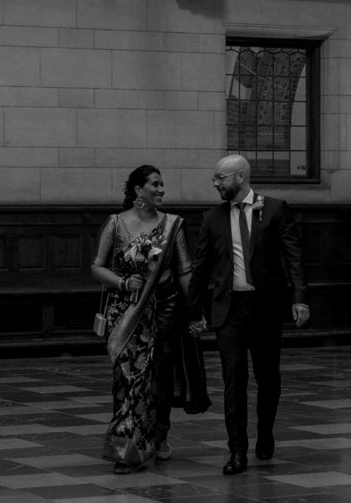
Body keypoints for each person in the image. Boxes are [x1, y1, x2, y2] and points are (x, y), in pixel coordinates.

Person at [188, 154, 308, 475]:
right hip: (230, 310)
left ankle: (265, 432)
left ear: (240, 177)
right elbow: (201, 269)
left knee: (268, 379)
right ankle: (237, 450)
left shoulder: (275, 209)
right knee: (233, 379)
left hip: (266, 308)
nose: (215, 183)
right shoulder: (212, 218)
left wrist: (300, 299)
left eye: (220, 178)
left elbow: (293, 257)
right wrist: (193, 311)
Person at [91, 165, 196, 473]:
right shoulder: (116, 224)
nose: (161, 189)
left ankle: (157, 435)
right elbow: (97, 267)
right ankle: (127, 450)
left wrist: (195, 310)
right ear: (138, 190)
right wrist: (124, 283)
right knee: (127, 380)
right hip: (125, 312)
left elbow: (185, 270)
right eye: (155, 184)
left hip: (163, 309)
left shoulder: (172, 225)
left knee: (158, 379)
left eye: (163, 184)